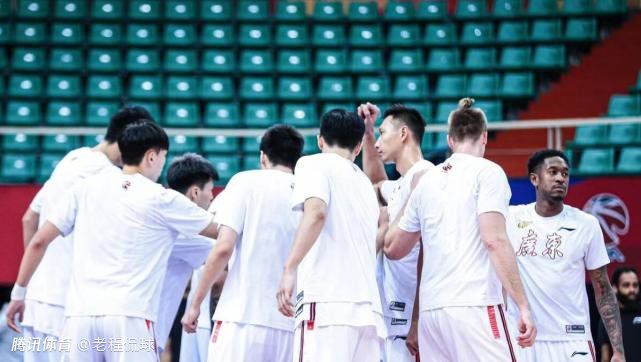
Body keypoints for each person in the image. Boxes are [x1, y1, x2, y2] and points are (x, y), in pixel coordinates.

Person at [6, 120, 219, 361]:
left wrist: (18, 294)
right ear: (151, 156)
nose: (162, 164)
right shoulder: (161, 198)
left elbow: (38, 241)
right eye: (163, 156)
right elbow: (222, 232)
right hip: (129, 318)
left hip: (80, 318)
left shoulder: (83, 188)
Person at [385, 98, 536, 361]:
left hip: (432, 314)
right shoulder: (488, 172)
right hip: (474, 306)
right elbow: (494, 240)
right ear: (484, 137)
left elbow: (394, 249)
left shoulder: (426, 181)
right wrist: (523, 304)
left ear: (450, 140)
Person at [16, 106, 153, 362]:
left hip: (36, 301)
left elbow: (29, 219)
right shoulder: (109, 177)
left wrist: (30, 283)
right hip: (67, 305)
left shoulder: (72, 158)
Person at [182, 125, 304, 361]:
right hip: (290, 321)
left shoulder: (245, 182)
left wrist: (195, 304)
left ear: (263, 156)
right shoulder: (308, 193)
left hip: (242, 318)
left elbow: (223, 247)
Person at [276, 109, 385, 361]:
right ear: (358, 147)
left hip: (326, 303)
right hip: (368, 312)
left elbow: (316, 213)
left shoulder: (311, 163)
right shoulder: (365, 186)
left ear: (320, 140)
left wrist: (289, 268)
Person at [507, 149, 625, 362]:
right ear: (534, 179)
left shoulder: (586, 224)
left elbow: (603, 289)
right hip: (525, 339)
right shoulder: (511, 218)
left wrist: (618, 350)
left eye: (565, 173)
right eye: (553, 172)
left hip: (573, 339)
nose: (561, 178)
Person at [358, 102, 433, 360]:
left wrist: (417, 320)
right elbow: (377, 183)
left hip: (410, 321)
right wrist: (367, 132)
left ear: (403, 134)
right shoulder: (403, 183)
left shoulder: (425, 177)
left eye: (382, 133)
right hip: (391, 318)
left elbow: (423, 255)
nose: (379, 141)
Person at [155, 153, 220, 357]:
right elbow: (225, 245)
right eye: (210, 190)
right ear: (194, 192)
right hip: (142, 324)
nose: (212, 196)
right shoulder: (183, 234)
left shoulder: (158, 216)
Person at [597, 266, 640, 362]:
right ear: (614, 288)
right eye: (626, 285)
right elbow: (605, 357)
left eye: (635, 285)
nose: (632, 290)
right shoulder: (608, 319)